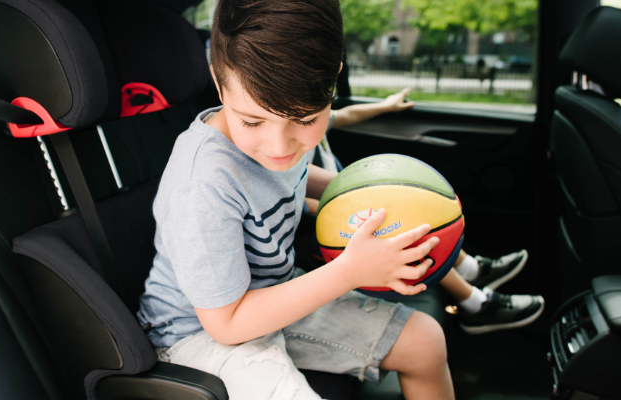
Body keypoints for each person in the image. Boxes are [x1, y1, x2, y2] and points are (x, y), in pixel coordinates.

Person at [137, 1, 454, 398]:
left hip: (273, 296)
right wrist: (350, 272)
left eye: (305, 120)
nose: (279, 146)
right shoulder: (202, 183)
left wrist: (371, 195)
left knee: (424, 341)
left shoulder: (273, 134)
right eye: (253, 121)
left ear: (334, 79)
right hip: (199, 334)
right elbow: (227, 324)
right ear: (218, 81)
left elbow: (295, 177)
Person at [302, 88, 545, 335]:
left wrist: (386, 105)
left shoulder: (314, 119)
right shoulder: (286, 145)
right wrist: (355, 203)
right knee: (410, 232)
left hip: (343, 205)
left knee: (416, 211)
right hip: (325, 227)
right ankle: (474, 304)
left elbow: (347, 114)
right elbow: (301, 203)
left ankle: (471, 269)